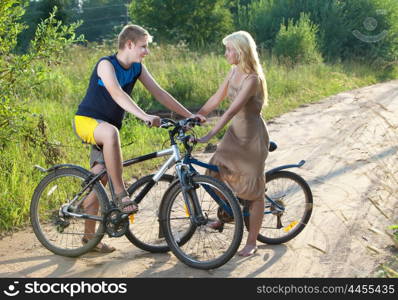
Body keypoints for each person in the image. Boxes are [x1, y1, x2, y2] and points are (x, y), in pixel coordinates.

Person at [73, 24, 205, 253]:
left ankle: (88, 238)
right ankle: (121, 193)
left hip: (107, 129)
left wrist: (189, 115)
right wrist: (143, 116)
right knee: (111, 136)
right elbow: (116, 93)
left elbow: (160, 93)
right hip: (87, 122)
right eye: (143, 47)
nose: (147, 52)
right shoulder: (106, 64)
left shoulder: (137, 68)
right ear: (129, 44)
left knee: (97, 184)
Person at [194, 31, 269, 257]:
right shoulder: (233, 71)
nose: (226, 53)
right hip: (235, 135)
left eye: (229, 49)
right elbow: (216, 99)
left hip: (251, 139)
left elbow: (230, 111)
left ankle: (252, 242)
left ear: (241, 51)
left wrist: (209, 135)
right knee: (214, 173)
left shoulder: (252, 78)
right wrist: (196, 116)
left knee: (254, 193)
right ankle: (228, 214)